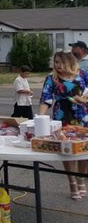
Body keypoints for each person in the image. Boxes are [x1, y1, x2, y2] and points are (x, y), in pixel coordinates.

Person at [39, 51, 88, 200]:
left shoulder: (82, 73)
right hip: (63, 116)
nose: (57, 65)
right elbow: (45, 99)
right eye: (55, 62)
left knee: (84, 149)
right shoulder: (51, 78)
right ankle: (72, 182)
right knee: (67, 150)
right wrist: (41, 119)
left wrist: (84, 98)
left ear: (68, 61)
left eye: (60, 62)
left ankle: (81, 178)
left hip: (84, 115)